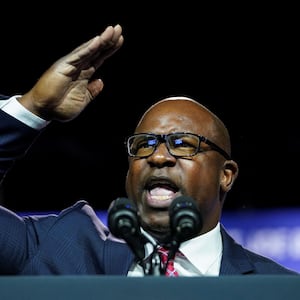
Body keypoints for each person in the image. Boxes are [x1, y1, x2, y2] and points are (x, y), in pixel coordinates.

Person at [0, 24, 298, 276]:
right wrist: (32, 108)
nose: (157, 157)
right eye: (144, 145)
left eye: (182, 144)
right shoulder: (63, 247)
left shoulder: (278, 286)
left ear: (227, 175)